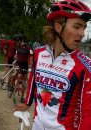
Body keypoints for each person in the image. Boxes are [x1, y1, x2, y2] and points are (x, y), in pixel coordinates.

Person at [15, 0, 91, 130]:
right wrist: (27, 103)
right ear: (58, 27)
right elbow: (33, 78)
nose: (82, 33)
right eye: (77, 26)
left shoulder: (85, 65)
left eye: (83, 28)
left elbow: (88, 113)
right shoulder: (39, 53)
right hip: (38, 124)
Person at [7, 34, 33, 101]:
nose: (15, 43)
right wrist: (15, 58)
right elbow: (16, 55)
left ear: (21, 40)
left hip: (25, 65)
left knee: (24, 81)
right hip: (18, 64)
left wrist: (31, 66)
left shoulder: (27, 47)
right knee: (14, 76)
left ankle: (22, 96)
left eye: (16, 42)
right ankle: (12, 86)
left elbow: (30, 57)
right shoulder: (18, 47)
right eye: (15, 42)